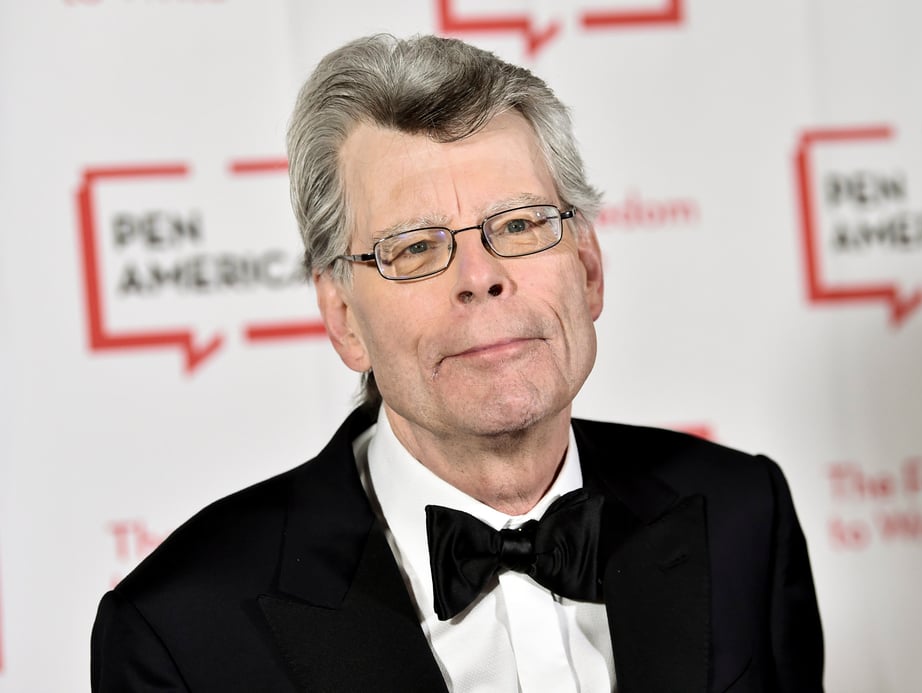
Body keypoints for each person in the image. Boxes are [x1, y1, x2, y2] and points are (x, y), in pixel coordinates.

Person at [91, 34, 824, 692]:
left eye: (519, 224)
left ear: (589, 267)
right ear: (344, 319)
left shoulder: (742, 515)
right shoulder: (180, 633)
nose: (480, 274)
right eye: (414, 247)